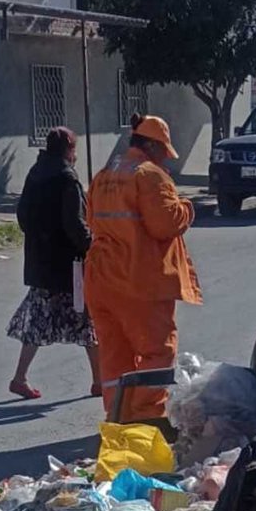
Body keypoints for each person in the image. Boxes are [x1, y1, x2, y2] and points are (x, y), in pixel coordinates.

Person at [85, 114, 201, 422]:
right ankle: (146, 416)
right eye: (163, 149)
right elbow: (165, 224)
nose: (166, 157)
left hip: (100, 279)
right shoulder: (150, 176)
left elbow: (92, 221)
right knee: (157, 352)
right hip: (138, 279)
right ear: (150, 145)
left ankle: (118, 415)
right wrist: (186, 209)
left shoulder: (105, 175)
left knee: (114, 354)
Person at [8, 126, 100, 401]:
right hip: (67, 265)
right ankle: (99, 382)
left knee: (38, 318)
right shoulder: (67, 179)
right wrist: (93, 246)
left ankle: (19, 377)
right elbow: (74, 224)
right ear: (70, 150)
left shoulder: (35, 173)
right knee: (86, 318)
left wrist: (40, 238)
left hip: (40, 260)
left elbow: (22, 215)